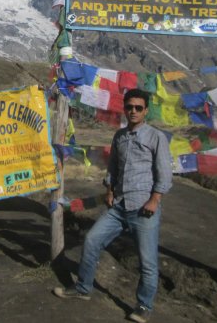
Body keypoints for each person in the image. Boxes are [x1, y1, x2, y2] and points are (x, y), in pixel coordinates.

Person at [53, 88, 173, 323]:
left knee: (147, 262)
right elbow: (113, 168)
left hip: (144, 209)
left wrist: (154, 199)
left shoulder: (155, 137)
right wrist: (109, 190)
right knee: (92, 240)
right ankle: (83, 288)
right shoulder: (120, 137)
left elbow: (164, 172)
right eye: (129, 107)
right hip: (118, 206)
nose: (133, 111)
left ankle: (144, 306)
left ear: (146, 110)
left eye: (138, 107)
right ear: (125, 109)